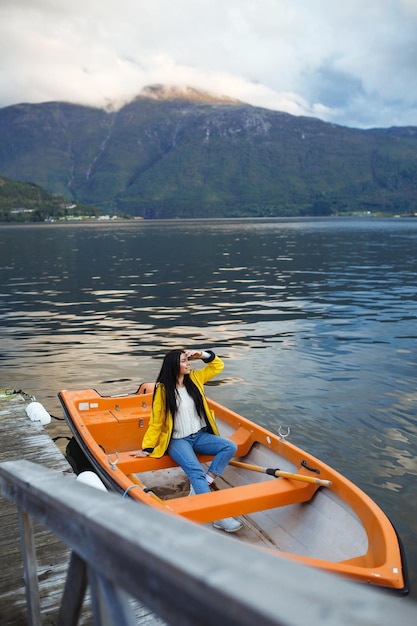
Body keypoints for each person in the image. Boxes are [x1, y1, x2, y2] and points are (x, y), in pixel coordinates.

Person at [130, 349, 243, 533]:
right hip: (177, 440)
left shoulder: (195, 379)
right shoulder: (163, 390)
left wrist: (202, 355)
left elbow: (218, 365)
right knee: (195, 471)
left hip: (198, 436)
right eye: (184, 361)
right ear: (174, 365)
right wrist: (148, 448)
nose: (188, 364)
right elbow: (156, 421)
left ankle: (204, 482)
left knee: (229, 446)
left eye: (188, 360)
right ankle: (218, 516)